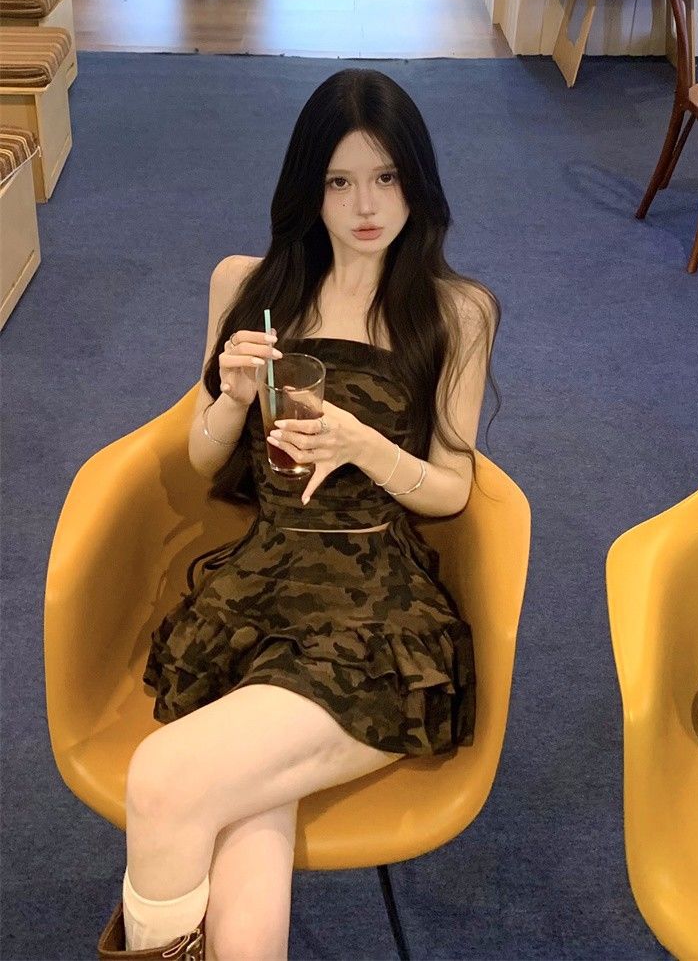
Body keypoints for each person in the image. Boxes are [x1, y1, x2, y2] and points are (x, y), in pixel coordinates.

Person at [97, 68, 500, 961]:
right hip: (260, 588)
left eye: (386, 177)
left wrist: (363, 445)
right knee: (246, 830)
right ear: (309, 189)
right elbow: (205, 460)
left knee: (165, 781)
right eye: (339, 181)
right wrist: (234, 396)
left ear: (416, 180)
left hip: (374, 607)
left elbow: (452, 489)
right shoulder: (246, 283)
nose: (366, 206)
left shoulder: (454, 311)